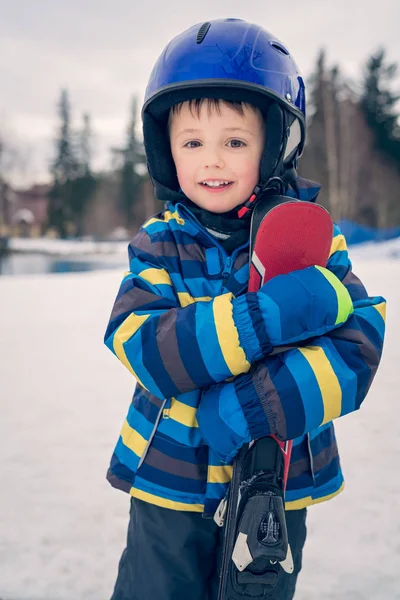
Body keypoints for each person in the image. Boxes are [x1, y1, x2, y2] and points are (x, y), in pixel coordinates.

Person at [104, 18, 386, 600]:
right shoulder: (160, 243)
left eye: (235, 141)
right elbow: (143, 341)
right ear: (165, 151)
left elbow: (358, 342)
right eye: (191, 143)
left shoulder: (311, 239)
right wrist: (260, 319)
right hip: (171, 484)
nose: (212, 161)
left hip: (276, 484)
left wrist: (263, 406)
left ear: (275, 144)